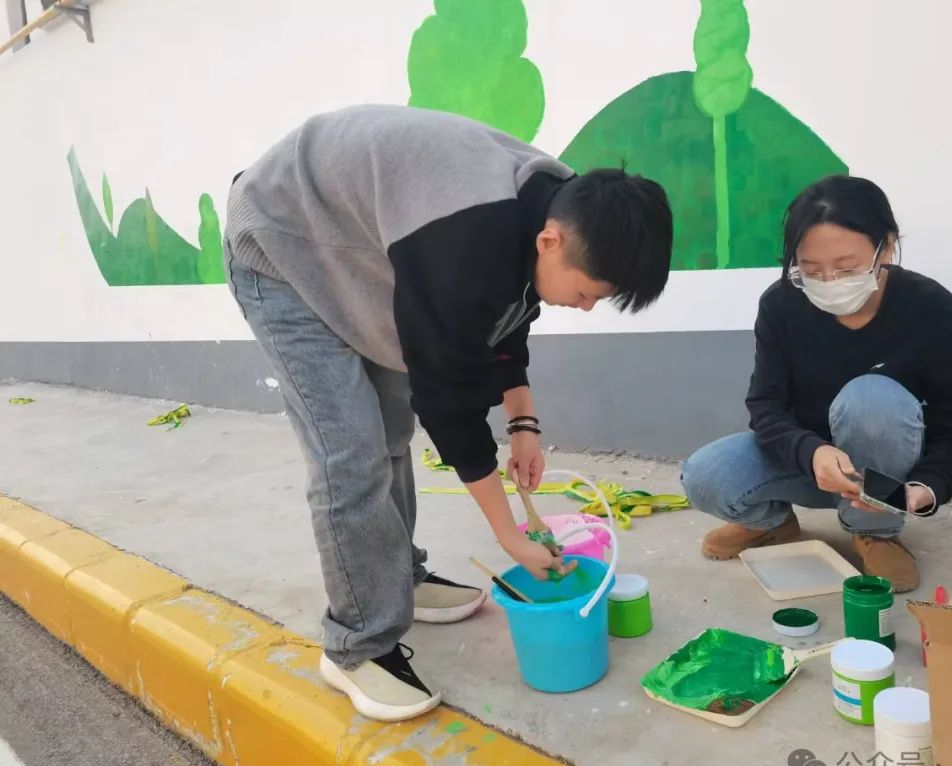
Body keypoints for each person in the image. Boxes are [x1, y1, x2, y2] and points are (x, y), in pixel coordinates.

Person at [222, 104, 673, 721]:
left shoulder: (560, 207)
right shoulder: (467, 241)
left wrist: (523, 422)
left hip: (357, 247)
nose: (587, 307)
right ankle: (356, 646)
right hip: (280, 245)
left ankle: (396, 579)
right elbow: (446, 401)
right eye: (587, 294)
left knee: (390, 432)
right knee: (350, 451)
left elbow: (509, 310)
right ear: (552, 241)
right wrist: (509, 534)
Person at [681, 175, 952, 594]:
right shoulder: (782, 304)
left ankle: (874, 531)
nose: (830, 283)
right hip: (809, 462)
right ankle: (772, 524)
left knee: (871, 397)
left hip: (884, 472)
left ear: (886, 247)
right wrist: (812, 452)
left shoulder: (932, 309)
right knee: (704, 475)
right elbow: (766, 406)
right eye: (810, 270)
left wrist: (928, 485)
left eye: (847, 268)